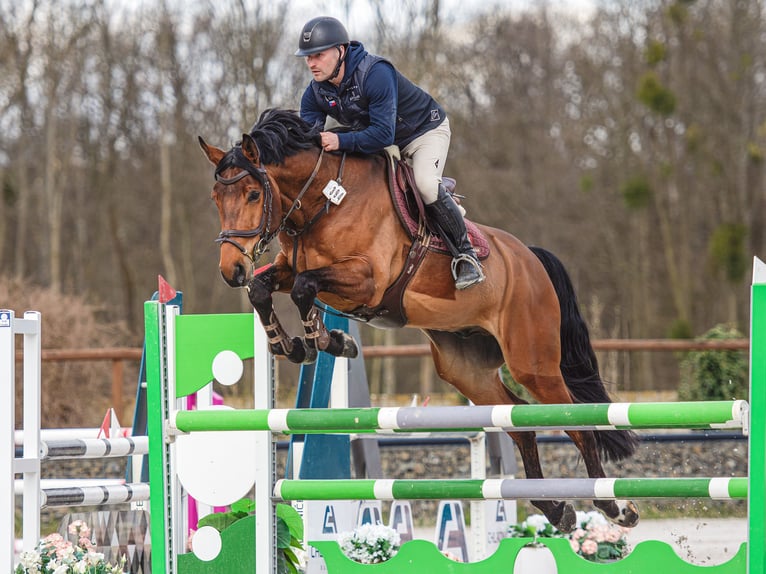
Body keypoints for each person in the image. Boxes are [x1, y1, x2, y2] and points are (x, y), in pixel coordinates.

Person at [295, 16, 485, 290]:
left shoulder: (375, 73)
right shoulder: (315, 94)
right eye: (307, 57)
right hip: (386, 141)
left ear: (341, 50)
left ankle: (467, 256)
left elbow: (382, 134)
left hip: (423, 132)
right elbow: (311, 145)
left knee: (426, 185)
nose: (311, 63)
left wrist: (339, 139)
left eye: (318, 55)